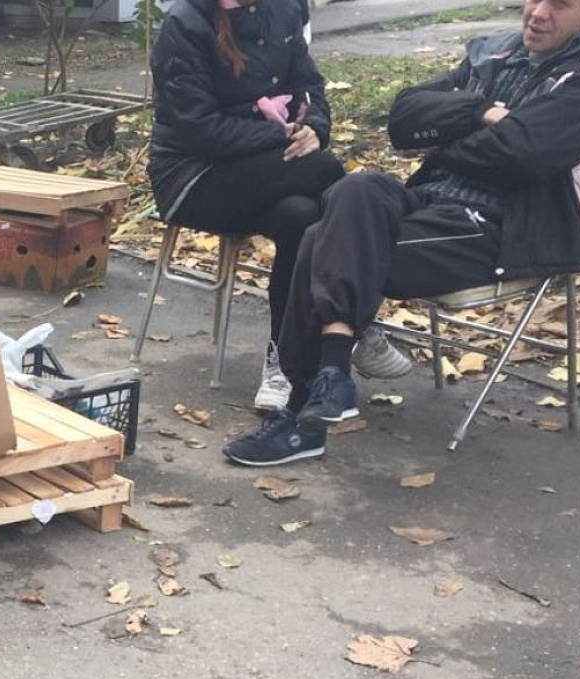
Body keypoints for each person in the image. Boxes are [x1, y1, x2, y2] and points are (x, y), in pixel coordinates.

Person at [223, 0, 580, 466]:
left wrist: (448, 139)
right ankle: (331, 382)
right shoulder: (496, 54)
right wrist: (480, 112)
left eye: (558, 5)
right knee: (357, 188)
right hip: (431, 202)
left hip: (503, 227)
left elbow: (524, 153)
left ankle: (305, 410)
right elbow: (404, 118)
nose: (537, 13)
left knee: (321, 241)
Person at [148, 0, 412, 413]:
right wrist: (285, 137)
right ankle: (354, 323)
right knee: (326, 173)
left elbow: (311, 86)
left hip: (273, 172)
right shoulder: (186, 22)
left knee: (301, 216)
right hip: (194, 175)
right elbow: (198, 130)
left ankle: (286, 366)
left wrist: (315, 128)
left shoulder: (285, 9)